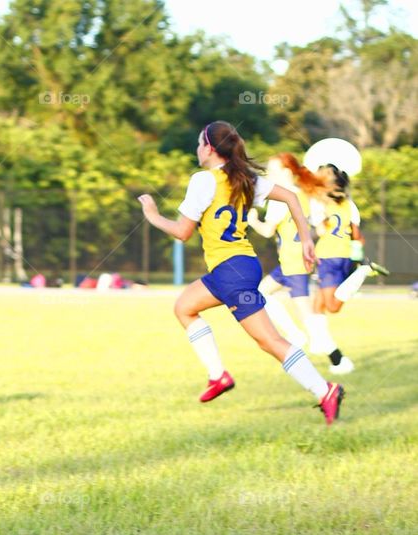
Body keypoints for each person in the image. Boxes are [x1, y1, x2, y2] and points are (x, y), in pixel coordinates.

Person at [137, 121, 344, 424]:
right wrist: (307, 238)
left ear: (208, 148)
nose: (197, 149)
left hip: (231, 271)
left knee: (270, 342)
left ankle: (324, 390)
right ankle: (218, 375)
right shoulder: (243, 178)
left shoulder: (203, 180)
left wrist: (152, 215)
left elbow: (182, 232)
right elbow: (290, 196)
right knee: (184, 307)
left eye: (199, 143)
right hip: (237, 267)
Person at [307, 165, 388, 372]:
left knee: (332, 307)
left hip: (328, 256)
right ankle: (328, 352)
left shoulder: (319, 203)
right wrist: (355, 257)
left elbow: (318, 228)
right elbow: (357, 235)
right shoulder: (349, 204)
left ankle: (363, 272)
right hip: (342, 255)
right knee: (316, 307)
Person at [247, 153, 326, 351]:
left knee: (302, 306)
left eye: (273, 171)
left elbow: (267, 231)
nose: (269, 175)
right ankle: (299, 337)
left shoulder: (280, 197)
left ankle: (324, 347)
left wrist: (253, 220)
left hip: (292, 257)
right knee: (263, 293)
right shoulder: (305, 194)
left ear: (286, 172)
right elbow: (319, 227)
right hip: (297, 256)